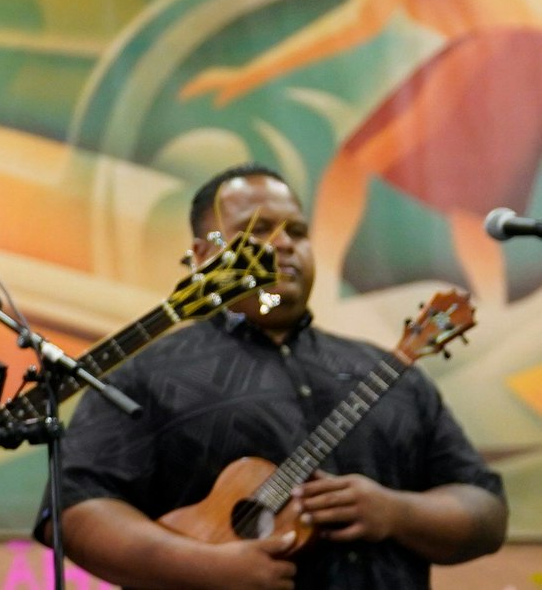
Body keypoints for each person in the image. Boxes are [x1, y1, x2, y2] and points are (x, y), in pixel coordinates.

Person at [43, 163, 507, 590]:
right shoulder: (144, 375)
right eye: (257, 230)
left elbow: (485, 509)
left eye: (298, 232)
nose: (284, 244)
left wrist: (397, 511)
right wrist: (207, 568)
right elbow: (74, 508)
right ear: (205, 255)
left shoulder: (392, 375)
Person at [182, 0, 542, 308]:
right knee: (470, 205)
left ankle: (321, 282)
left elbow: (356, 22)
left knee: (351, 165)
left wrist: (248, 73)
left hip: (496, 52)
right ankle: (493, 302)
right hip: (529, 73)